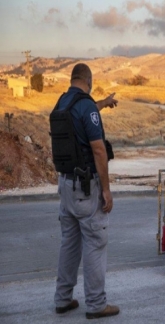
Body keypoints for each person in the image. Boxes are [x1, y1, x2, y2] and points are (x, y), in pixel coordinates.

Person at [53, 63, 120, 319]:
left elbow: (82, 114)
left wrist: (102, 103)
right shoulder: (86, 105)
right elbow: (99, 149)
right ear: (89, 81)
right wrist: (106, 190)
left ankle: (63, 298)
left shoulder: (62, 102)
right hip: (86, 188)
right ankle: (96, 304)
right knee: (95, 242)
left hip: (66, 185)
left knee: (69, 244)